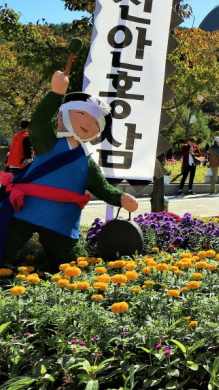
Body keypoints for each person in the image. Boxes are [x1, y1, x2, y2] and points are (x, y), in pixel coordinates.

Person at [0, 71, 138, 270]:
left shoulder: (87, 162)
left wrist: (120, 198)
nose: (88, 123)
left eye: (95, 122)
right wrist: (56, 93)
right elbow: (38, 126)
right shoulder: (49, 143)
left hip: (62, 220)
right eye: (82, 114)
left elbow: (102, 187)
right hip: (26, 209)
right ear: (63, 114)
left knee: (70, 263)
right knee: (7, 242)